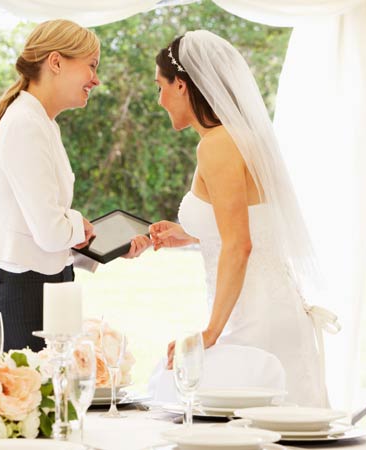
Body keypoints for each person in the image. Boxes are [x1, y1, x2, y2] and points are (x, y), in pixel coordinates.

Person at [146, 30, 339, 407]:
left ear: (182, 85)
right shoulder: (244, 137)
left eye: (160, 87)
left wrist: (210, 333)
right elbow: (250, 223)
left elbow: (240, 245)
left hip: (252, 322)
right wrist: (189, 234)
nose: (159, 100)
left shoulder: (216, 146)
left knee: (186, 400)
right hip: (274, 310)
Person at [0, 19, 147, 353]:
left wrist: (103, 245)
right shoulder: (26, 123)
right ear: (56, 62)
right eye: (91, 66)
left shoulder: (41, 122)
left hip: (41, 291)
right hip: (23, 301)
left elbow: (43, 234)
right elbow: (50, 232)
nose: (96, 80)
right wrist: (77, 224)